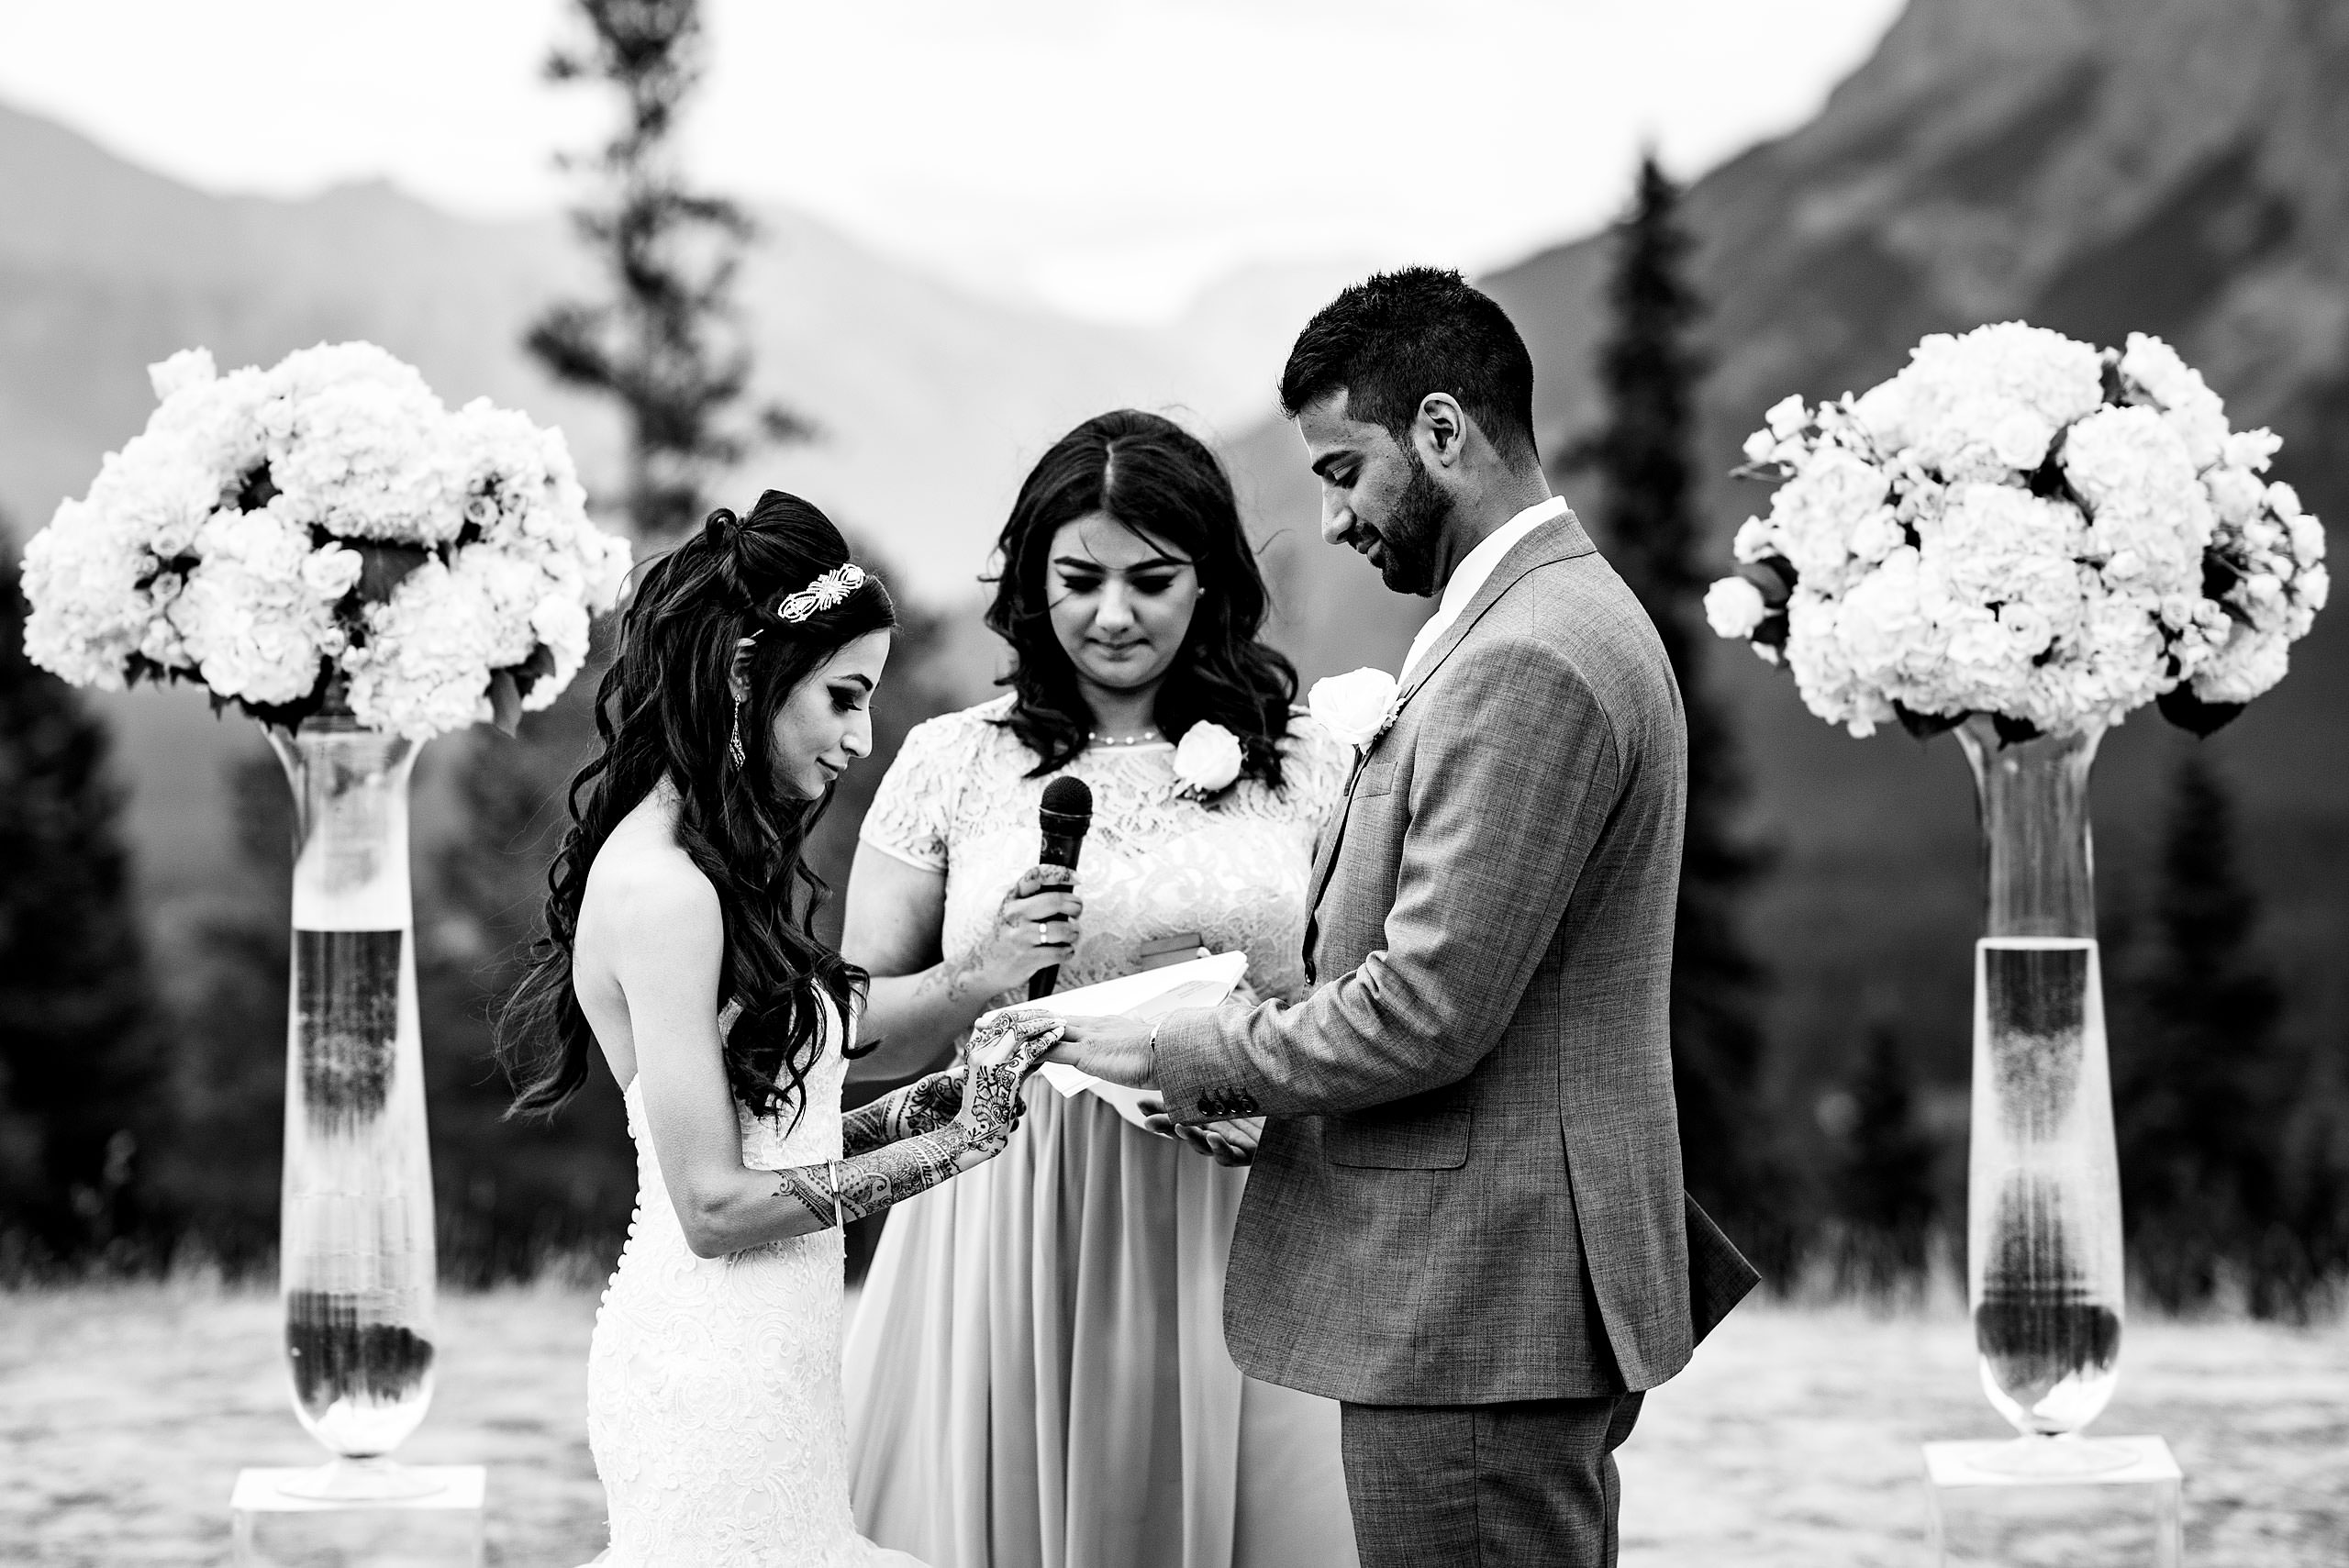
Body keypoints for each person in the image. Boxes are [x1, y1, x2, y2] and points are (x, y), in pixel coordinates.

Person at [1045, 271, 1762, 1567]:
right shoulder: (1530, 616)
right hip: (1491, 1287)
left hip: (1479, 1296)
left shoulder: (1528, 655)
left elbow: (1429, 1009)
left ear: (1442, 433)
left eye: (1345, 470)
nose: (1329, 520)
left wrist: (1195, 1048)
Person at [496, 490, 1059, 1568]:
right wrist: (949, 1149)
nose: (861, 737)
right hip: (711, 1378)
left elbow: (782, 1142)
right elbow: (712, 1205)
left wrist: (948, 1084)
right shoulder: (664, 891)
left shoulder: (707, 862)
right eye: (844, 697)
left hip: (770, 1362)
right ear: (750, 675)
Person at [840, 410, 1361, 1568]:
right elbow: (852, 1031)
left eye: (1151, 579)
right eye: (1078, 579)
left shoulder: (1316, 759)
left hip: (1248, 1208)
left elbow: (1365, 992)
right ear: (1032, 579)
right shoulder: (949, 762)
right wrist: (978, 976)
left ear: (1209, 581)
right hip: (1004, 1209)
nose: (1112, 615)